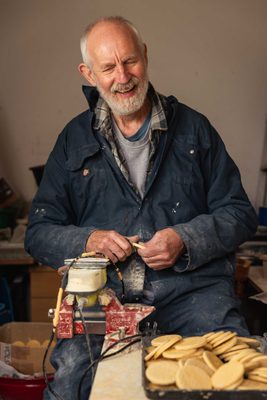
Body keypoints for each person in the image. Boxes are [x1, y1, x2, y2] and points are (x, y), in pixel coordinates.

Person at [25, 16, 258, 400]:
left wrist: (185, 238)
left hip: (193, 292)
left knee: (229, 379)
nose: (123, 76)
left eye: (130, 61)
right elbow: (39, 232)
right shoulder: (72, 140)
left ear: (145, 56)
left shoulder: (195, 130)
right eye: (108, 67)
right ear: (88, 73)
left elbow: (239, 212)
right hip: (103, 296)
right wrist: (90, 239)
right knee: (70, 385)